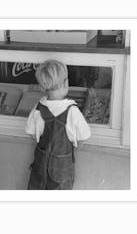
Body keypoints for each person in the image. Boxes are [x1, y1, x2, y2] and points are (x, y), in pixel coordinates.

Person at [25, 59, 91, 190]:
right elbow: (84, 136)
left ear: (42, 86)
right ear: (66, 83)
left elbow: (31, 134)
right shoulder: (72, 111)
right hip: (62, 168)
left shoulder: (38, 109)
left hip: (40, 164)